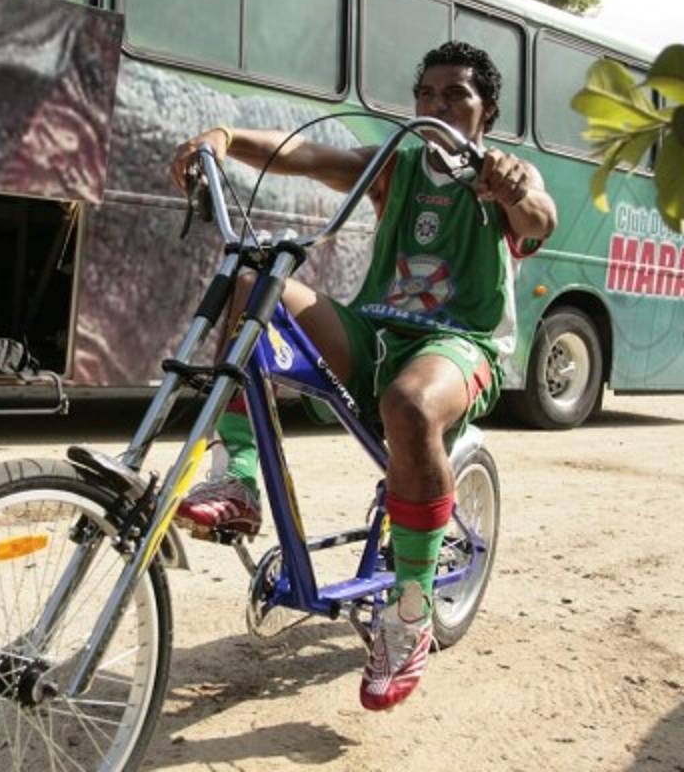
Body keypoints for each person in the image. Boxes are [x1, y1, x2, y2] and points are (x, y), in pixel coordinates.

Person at [169, 41, 556, 710]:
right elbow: (307, 156)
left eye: (455, 96)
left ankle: (409, 616)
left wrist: (516, 191)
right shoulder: (395, 163)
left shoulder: (504, 174)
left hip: (459, 344)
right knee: (253, 288)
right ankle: (239, 480)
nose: (437, 106)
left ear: (486, 111)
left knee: (410, 405)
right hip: (375, 333)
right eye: (427, 95)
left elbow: (540, 218)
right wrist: (226, 137)